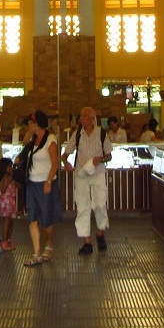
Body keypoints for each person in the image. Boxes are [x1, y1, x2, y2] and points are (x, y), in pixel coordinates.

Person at [63, 106, 112, 255]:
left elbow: (109, 155)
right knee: (82, 207)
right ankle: (87, 242)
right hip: (81, 175)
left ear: (91, 118)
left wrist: (101, 159)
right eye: (81, 116)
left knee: (100, 204)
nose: (81, 119)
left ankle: (100, 233)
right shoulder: (77, 134)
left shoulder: (101, 134)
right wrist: (66, 163)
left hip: (97, 173)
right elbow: (65, 154)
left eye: (83, 116)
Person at [19, 110, 60, 267]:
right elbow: (24, 145)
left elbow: (55, 163)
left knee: (46, 219)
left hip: (45, 182)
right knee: (32, 218)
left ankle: (48, 244)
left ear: (38, 123)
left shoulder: (50, 139)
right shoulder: (32, 138)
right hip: (32, 183)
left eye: (31, 122)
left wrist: (49, 181)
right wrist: (29, 133)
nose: (29, 124)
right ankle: (36, 253)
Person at [0, 157, 17, 251]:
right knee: (6, 221)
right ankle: (3, 242)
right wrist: (8, 181)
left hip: (12, 200)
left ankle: (8, 239)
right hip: (5, 201)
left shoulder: (11, 177)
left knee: (11, 221)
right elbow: (2, 190)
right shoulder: (3, 178)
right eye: (9, 166)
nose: (11, 168)